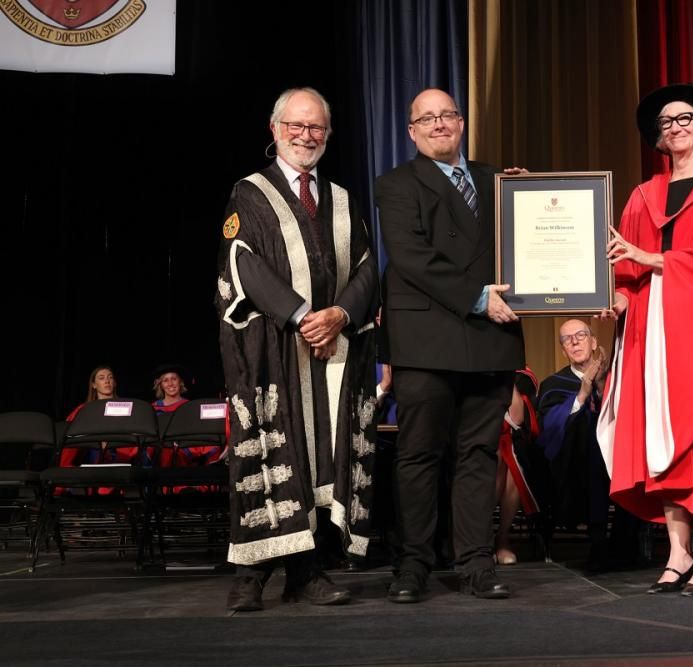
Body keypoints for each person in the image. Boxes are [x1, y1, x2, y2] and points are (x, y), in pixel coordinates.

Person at [215, 87, 379, 611]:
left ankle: (308, 573)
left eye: (316, 128)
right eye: (297, 126)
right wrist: (302, 315)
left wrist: (339, 314)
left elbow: (367, 268)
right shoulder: (250, 193)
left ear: (328, 135)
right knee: (270, 456)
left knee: (321, 460)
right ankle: (250, 576)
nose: (306, 136)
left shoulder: (343, 199)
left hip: (329, 352)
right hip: (273, 351)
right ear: (275, 130)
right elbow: (243, 263)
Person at [597, 84, 693, 596]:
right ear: (658, 138)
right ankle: (677, 550)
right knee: (657, 438)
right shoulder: (644, 196)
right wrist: (616, 297)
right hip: (649, 332)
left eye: (685, 118)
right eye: (666, 123)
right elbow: (623, 265)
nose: (676, 127)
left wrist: (650, 260)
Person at [374, 88, 525, 603]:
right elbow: (412, 257)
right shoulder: (395, 185)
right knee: (418, 455)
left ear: (461, 123)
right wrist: (479, 297)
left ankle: (476, 563)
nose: (439, 124)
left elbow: (526, 248)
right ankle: (412, 564)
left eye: (448, 115)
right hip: (426, 341)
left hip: (490, 341)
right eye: (427, 118)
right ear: (412, 131)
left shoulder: (499, 181)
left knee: (480, 455)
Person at [537, 320, 618, 571]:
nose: (574, 341)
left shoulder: (617, 377)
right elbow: (549, 429)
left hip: (616, 455)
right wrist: (582, 394)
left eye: (581, 335)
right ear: (563, 351)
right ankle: (598, 539)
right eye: (567, 339)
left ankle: (624, 539)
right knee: (588, 436)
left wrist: (603, 385)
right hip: (573, 461)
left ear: (594, 342)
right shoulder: (554, 384)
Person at [494, 368, 542, 565]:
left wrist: (505, 373)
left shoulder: (523, 376)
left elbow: (517, 418)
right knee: (495, 457)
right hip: (478, 444)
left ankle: (502, 539)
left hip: (513, 443)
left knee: (513, 466)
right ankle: (481, 539)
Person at [60, 365, 130, 466]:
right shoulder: (84, 409)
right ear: (94, 385)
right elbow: (69, 434)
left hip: (120, 453)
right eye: (101, 378)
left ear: (114, 383)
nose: (107, 381)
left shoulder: (125, 406)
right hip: (91, 454)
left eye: (110, 377)